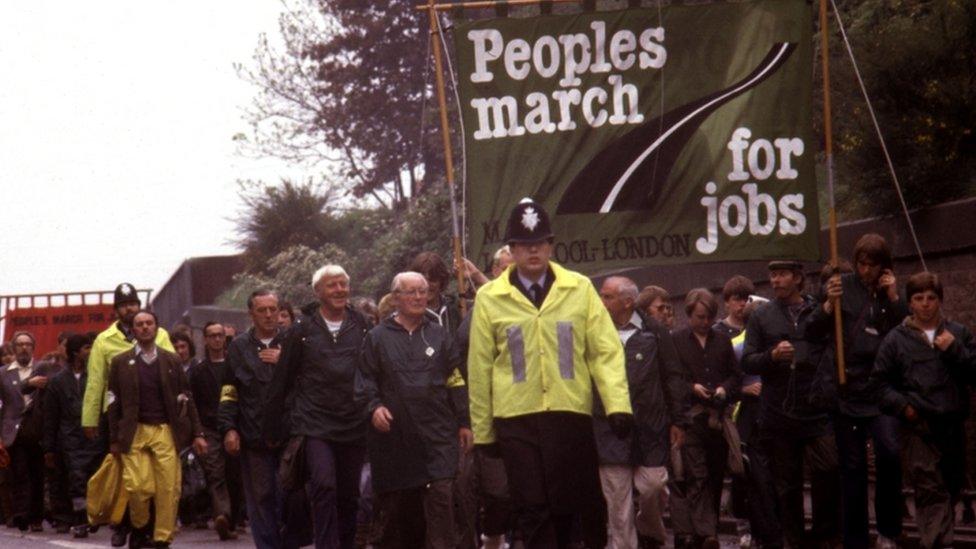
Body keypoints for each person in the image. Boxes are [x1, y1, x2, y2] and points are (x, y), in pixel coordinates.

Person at [467, 198, 632, 549]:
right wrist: (484, 431)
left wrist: (617, 405)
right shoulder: (490, 297)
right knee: (532, 507)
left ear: (551, 245)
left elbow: (604, 350)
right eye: (525, 245)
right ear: (511, 249)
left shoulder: (579, 288)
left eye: (540, 243)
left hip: (567, 413)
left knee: (571, 505)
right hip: (516, 418)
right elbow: (479, 367)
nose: (533, 251)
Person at [806, 233, 906, 549]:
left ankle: (888, 530)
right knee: (853, 468)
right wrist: (826, 305)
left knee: (889, 452)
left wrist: (894, 297)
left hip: (881, 389)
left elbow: (907, 333)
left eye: (872, 265)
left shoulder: (889, 294)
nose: (865, 271)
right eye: (861, 264)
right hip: (847, 388)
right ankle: (856, 539)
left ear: (883, 266)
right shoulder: (840, 286)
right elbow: (811, 331)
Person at [355, 272, 467, 548]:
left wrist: (465, 421)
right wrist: (374, 407)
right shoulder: (377, 338)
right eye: (411, 292)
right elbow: (365, 379)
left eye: (423, 291)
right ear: (395, 299)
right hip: (397, 440)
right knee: (402, 518)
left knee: (442, 499)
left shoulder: (439, 334)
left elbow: (455, 379)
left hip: (438, 437)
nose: (419, 298)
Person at [268, 265, 371, 549]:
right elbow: (282, 381)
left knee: (350, 495)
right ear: (318, 292)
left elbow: (373, 371)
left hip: (352, 423)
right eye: (332, 285)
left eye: (343, 284)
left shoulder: (362, 325)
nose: (339, 290)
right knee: (324, 485)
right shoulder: (300, 331)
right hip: (314, 424)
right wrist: (273, 427)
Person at [872, 272, 976, 549]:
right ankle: (941, 544)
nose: (926, 304)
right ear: (910, 304)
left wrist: (955, 350)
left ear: (940, 301)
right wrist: (904, 407)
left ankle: (941, 538)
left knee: (951, 487)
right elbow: (880, 384)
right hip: (919, 427)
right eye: (919, 298)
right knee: (930, 490)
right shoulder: (896, 340)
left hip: (952, 427)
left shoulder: (958, 333)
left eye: (931, 298)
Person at [742, 260, 840, 548]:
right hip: (779, 411)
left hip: (816, 407)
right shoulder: (761, 316)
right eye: (772, 275)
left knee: (829, 468)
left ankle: (824, 535)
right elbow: (748, 359)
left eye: (782, 274)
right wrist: (771, 356)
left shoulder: (818, 309)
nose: (775, 280)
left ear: (798, 278)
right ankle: (793, 540)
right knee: (787, 484)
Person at [595, 276, 690, 549]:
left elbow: (673, 376)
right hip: (608, 427)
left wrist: (678, 420)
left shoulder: (654, 331)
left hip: (651, 426)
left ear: (627, 302)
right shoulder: (594, 330)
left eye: (607, 296)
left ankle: (649, 529)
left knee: (654, 486)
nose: (601, 302)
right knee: (617, 500)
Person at [107, 310, 207, 548]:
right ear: (133, 329)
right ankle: (140, 527)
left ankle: (162, 538)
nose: (144, 328)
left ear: (156, 327)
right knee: (139, 486)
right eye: (139, 324)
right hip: (135, 432)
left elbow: (187, 397)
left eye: (149, 323)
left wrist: (198, 433)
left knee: (168, 488)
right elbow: (112, 403)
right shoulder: (120, 362)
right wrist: (113, 438)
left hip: (165, 431)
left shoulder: (170, 359)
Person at [219, 289, 302, 549]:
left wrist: (285, 361)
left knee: (290, 496)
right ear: (251, 314)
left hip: (290, 434)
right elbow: (228, 392)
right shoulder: (238, 347)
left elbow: (311, 383)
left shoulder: (295, 342)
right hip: (254, 436)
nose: (269, 315)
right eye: (262, 310)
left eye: (273, 309)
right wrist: (229, 428)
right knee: (261, 497)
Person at [671, 288, 742, 549]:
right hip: (691, 419)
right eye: (699, 317)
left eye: (708, 317)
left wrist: (724, 388)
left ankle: (704, 529)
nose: (704, 322)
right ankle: (706, 533)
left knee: (714, 475)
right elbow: (673, 377)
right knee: (696, 474)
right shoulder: (676, 340)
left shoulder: (722, 340)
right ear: (689, 314)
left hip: (717, 419)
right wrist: (692, 388)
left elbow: (736, 375)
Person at [43, 333, 104, 538]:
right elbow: (50, 417)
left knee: (95, 477)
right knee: (76, 479)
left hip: (95, 436)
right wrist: (49, 448)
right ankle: (80, 519)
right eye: (87, 348)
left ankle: (94, 515)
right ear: (76, 352)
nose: (90, 352)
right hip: (70, 439)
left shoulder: (97, 376)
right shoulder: (57, 382)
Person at [186, 322, 237, 541]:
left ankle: (235, 518)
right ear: (205, 339)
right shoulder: (198, 371)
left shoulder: (234, 366)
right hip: (210, 428)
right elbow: (192, 403)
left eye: (220, 335)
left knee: (235, 474)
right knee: (216, 473)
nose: (217, 339)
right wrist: (197, 433)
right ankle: (222, 516)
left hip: (236, 426)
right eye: (212, 336)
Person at [0, 332, 46, 531]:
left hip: (37, 428)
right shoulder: (3, 373)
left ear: (33, 347)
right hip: (13, 429)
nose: (24, 348)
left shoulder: (42, 368)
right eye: (20, 345)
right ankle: (20, 514)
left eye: (28, 344)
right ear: (14, 348)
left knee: (37, 473)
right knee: (19, 473)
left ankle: (36, 516)